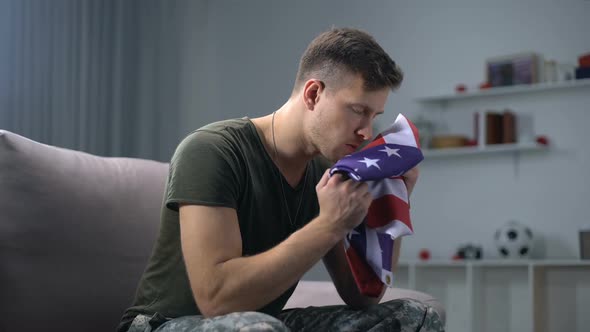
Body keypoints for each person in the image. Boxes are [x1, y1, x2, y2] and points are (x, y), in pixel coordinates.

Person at [118, 27, 443, 332]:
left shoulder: (326, 174)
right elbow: (216, 299)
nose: (366, 132)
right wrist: (329, 226)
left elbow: (363, 297)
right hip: (165, 324)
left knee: (413, 318)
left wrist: (391, 203)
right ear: (314, 94)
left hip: (261, 323)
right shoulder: (212, 151)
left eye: (374, 116)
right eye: (358, 110)